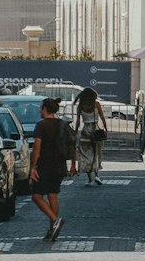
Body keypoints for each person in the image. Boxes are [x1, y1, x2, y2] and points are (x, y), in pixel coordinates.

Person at [30, 97, 68, 241]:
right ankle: (52, 229)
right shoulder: (62, 124)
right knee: (53, 195)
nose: (40, 111)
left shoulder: (41, 126)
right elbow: (71, 144)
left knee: (36, 196)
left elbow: (37, 149)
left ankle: (55, 220)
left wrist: (33, 167)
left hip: (45, 165)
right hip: (60, 165)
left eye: (41, 108)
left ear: (45, 109)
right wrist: (73, 164)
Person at [74, 87, 108, 185]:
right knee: (96, 153)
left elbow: (77, 122)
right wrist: (106, 129)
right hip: (96, 131)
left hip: (85, 131)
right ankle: (97, 175)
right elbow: (102, 118)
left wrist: (75, 132)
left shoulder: (80, 106)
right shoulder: (96, 104)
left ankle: (90, 178)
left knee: (85, 154)